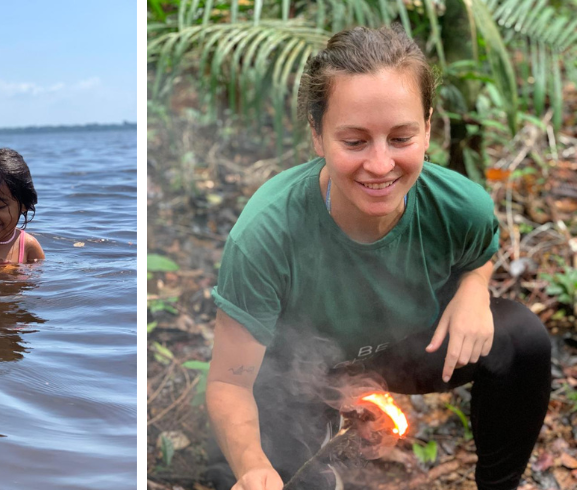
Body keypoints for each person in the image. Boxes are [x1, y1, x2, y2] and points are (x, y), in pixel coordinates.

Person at [205, 25, 551, 490]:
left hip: (406, 350)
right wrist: (252, 467)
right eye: (354, 141)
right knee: (268, 475)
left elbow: (480, 253)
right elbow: (230, 383)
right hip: (300, 375)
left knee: (521, 339)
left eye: (401, 138)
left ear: (428, 127)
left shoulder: (459, 205)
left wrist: (473, 289)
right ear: (317, 135)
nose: (381, 165)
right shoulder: (268, 232)